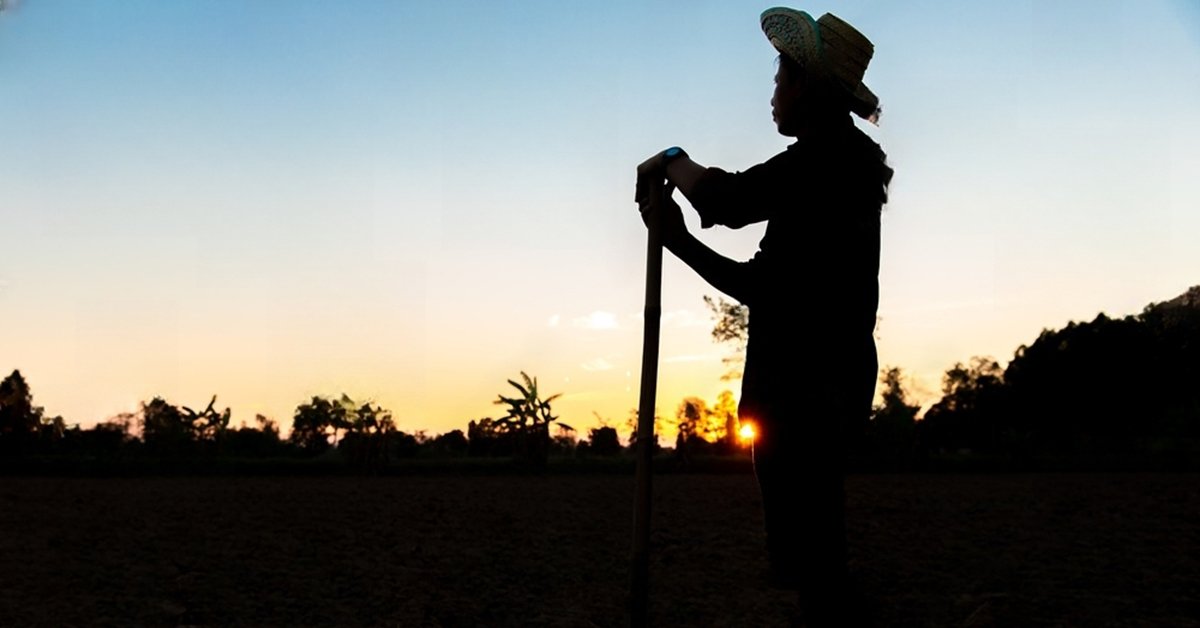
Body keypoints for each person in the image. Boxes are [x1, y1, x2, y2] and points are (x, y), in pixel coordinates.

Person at [635, 8, 893, 625]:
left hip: (805, 391)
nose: (772, 93)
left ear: (807, 86)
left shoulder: (825, 162)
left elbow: (726, 200)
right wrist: (678, 241)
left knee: (814, 563)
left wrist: (673, 160)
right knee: (813, 558)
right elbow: (767, 284)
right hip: (819, 387)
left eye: (780, 78)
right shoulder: (841, 166)